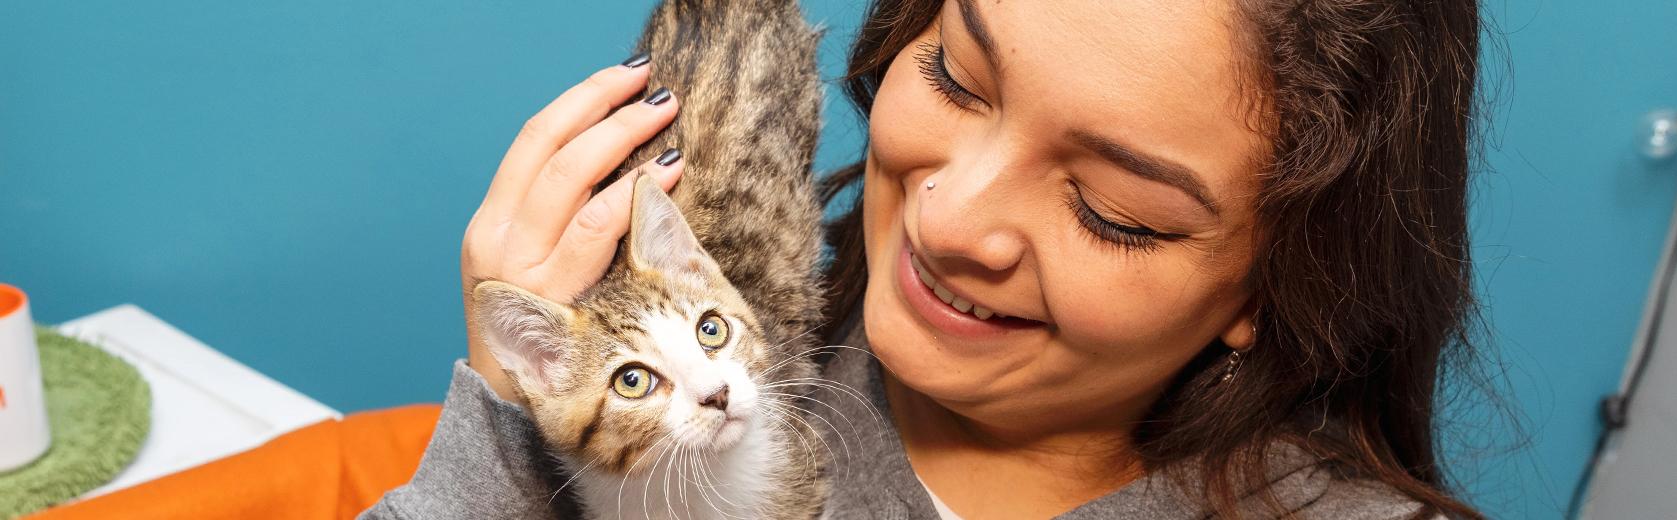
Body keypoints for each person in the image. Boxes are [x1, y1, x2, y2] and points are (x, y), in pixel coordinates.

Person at [367, 0, 1484, 518]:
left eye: (1112, 208)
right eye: (953, 77)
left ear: (1270, 285)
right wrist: (517, 444)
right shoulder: (724, 390)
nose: (950, 222)